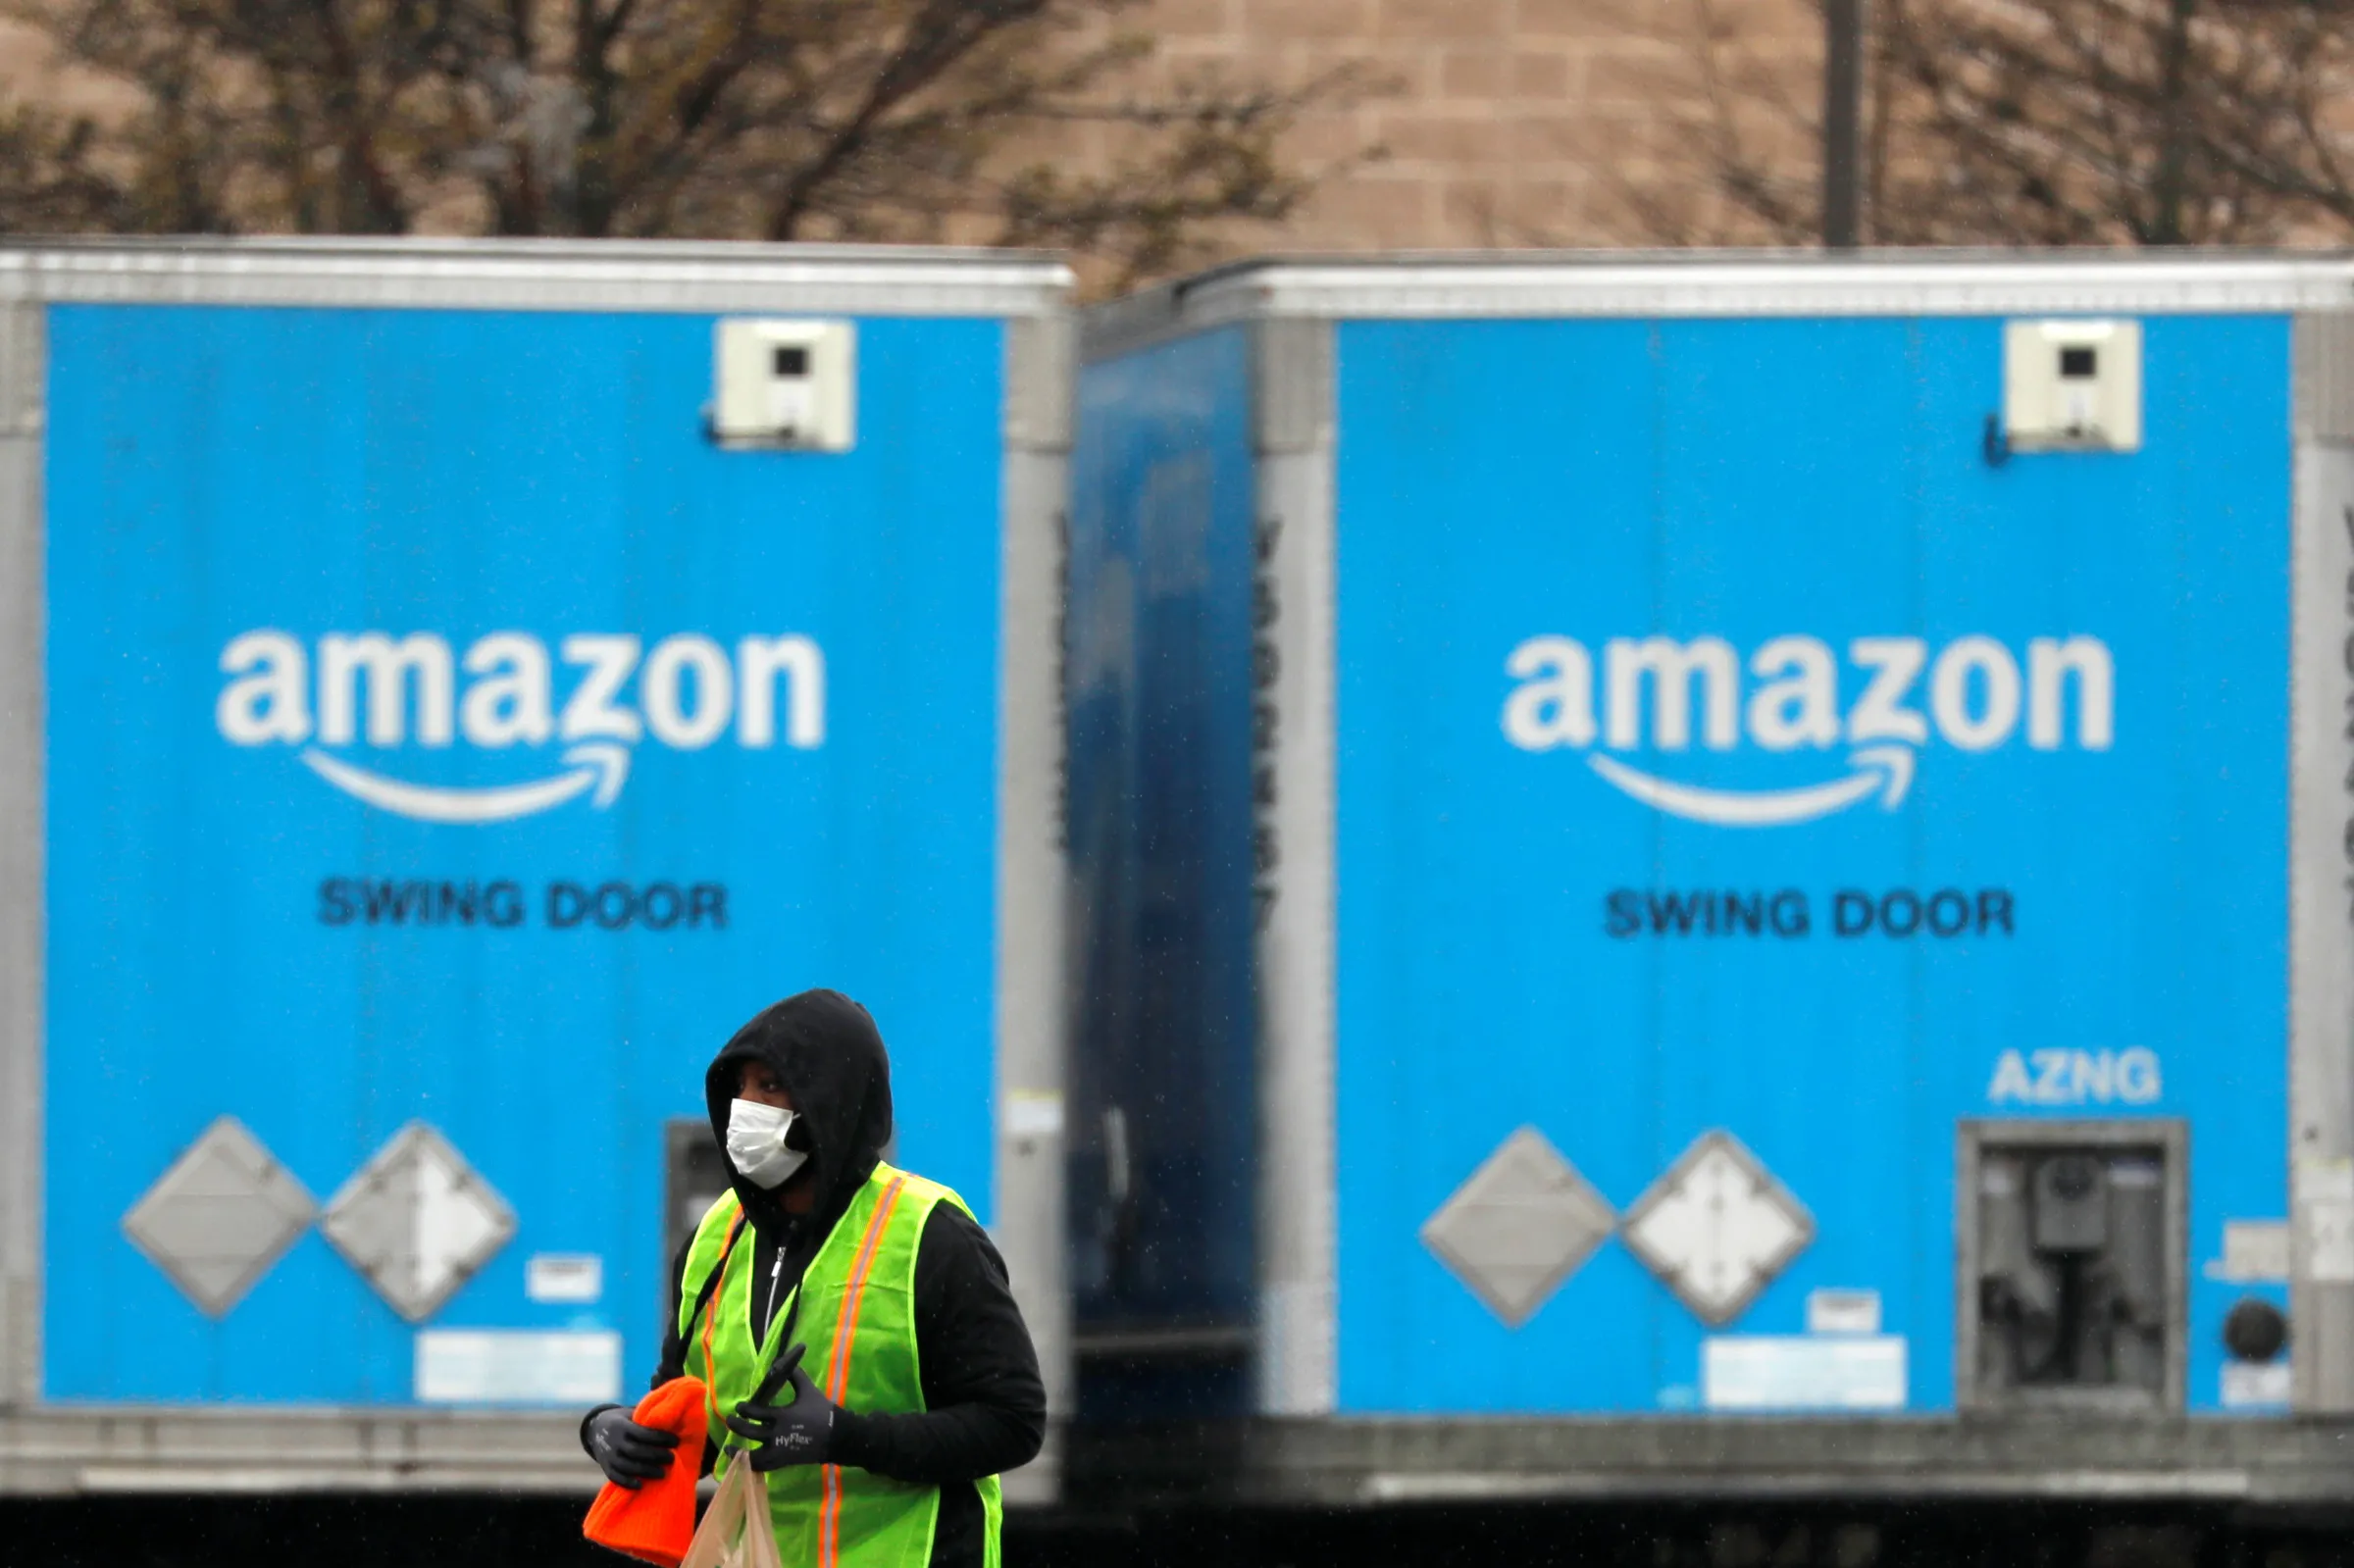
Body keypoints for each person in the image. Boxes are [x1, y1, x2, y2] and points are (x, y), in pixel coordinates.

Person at [583, 988, 1045, 1568]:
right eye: (741, 1087)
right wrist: (613, 1430)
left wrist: (843, 1436)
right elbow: (691, 1412)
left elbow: (1013, 1424)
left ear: (830, 1101)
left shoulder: (931, 1234)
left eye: (771, 1086)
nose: (744, 1107)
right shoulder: (718, 1235)